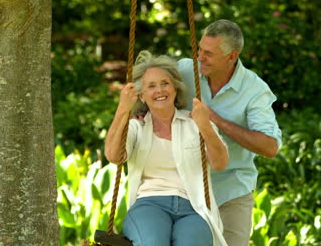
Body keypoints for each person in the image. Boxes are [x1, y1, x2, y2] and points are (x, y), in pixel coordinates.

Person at [104, 50, 229, 246]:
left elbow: (220, 163)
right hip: (149, 204)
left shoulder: (195, 122)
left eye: (165, 83)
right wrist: (123, 109)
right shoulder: (137, 127)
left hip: (193, 208)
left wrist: (205, 125)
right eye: (151, 86)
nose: (160, 90)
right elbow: (113, 155)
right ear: (142, 96)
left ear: (175, 89)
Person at [178, 19, 282, 246]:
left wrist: (215, 120)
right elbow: (149, 88)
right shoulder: (185, 70)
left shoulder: (255, 90)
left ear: (232, 56)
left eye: (209, 54)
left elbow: (269, 147)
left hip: (231, 191)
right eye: (199, 50)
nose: (200, 58)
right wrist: (140, 111)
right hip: (184, 189)